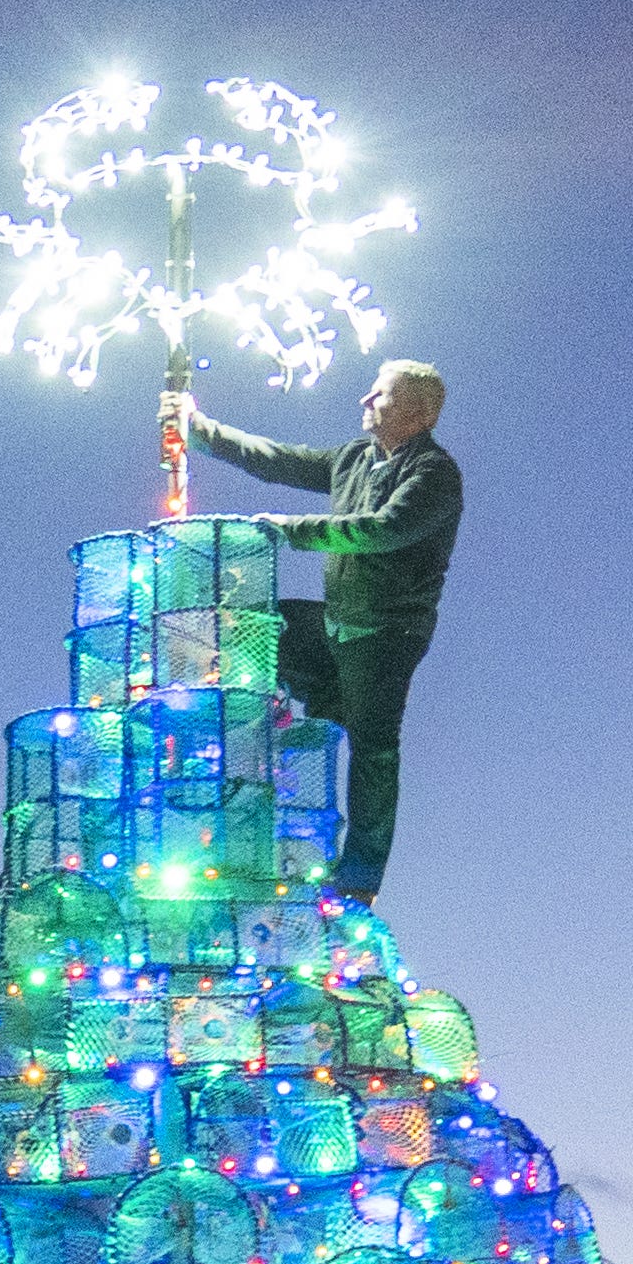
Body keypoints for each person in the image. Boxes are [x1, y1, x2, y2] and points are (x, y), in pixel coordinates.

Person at [181, 359, 461, 899]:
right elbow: (278, 462)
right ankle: (311, 707)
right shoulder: (354, 459)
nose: (365, 400)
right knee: (260, 626)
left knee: (374, 746)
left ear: (418, 414)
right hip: (336, 623)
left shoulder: (434, 474)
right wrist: (201, 431)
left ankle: (358, 883)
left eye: (379, 395)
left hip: (385, 636)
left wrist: (290, 530)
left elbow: (384, 531)